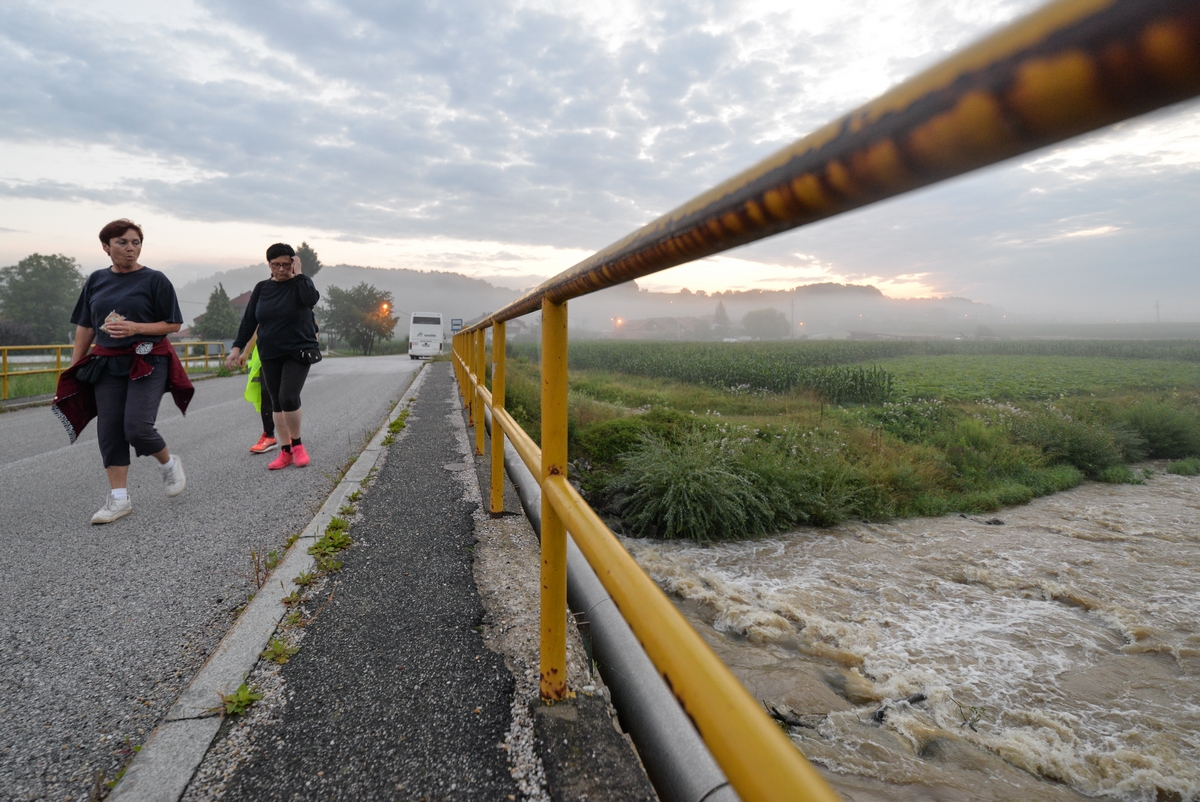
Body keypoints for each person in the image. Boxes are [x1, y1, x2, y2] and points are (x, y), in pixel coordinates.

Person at [52, 219, 191, 524]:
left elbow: (173, 324)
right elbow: (86, 326)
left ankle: (169, 464)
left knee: (137, 427)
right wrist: (74, 368)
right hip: (107, 363)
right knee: (110, 429)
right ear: (106, 247)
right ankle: (118, 499)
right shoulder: (96, 280)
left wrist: (135, 327)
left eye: (136, 242)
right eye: (122, 242)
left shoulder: (155, 280)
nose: (131, 248)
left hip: (148, 360)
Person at [225, 243, 320, 470]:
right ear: (269, 265)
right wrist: (237, 348)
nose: (281, 269)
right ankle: (285, 452)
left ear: (293, 263)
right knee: (276, 401)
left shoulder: (301, 284)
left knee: (288, 397)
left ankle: (297, 446)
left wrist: (299, 274)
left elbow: (311, 299)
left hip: (298, 350)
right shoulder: (262, 288)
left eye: (285, 264)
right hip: (270, 352)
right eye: (276, 264)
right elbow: (250, 320)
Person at [240, 332, 278, 453]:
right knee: (266, 394)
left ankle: (293, 435)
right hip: (266, 354)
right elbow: (257, 329)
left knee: (287, 395)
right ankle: (269, 435)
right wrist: (246, 353)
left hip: (290, 352)